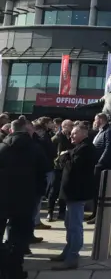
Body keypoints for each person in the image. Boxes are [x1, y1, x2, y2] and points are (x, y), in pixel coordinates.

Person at [0, 117, 48, 279]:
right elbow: (43, 175)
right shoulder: (36, 149)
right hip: (26, 198)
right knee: (19, 237)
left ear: (11, 130)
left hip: (3, 197)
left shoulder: (3, 148)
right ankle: (15, 270)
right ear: (27, 131)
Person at [49, 124, 97, 270]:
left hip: (77, 193)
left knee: (75, 226)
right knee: (69, 224)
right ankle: (68, 252)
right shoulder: (79, 148)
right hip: (72, 193)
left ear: (83, 133)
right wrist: (67, 155)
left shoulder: (86, 148)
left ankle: (72, 257)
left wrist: (65, 156)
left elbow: (71, 165)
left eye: (75, 133)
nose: (71, 136)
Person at [87, 113, 111, 225]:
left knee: (100, 192)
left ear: (100, 119)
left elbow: (109, 148)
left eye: (95, 119)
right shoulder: (101, 131)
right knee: (96, 191)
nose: (94, 121)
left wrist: (100, 162)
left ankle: (98, 215)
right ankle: (94, 213)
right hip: (96, 164)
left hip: (102, 166)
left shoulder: (109, 131)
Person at [48, 119, 74, 222]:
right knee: (54, 190)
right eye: (70, 125)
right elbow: (51, 150)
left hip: (66, 167)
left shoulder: (71, 137)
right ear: (64, 126)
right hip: (57, 167)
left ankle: (61, 213)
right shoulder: (57, 137)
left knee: (64, 190)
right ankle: (50, 212)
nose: (72, 127)